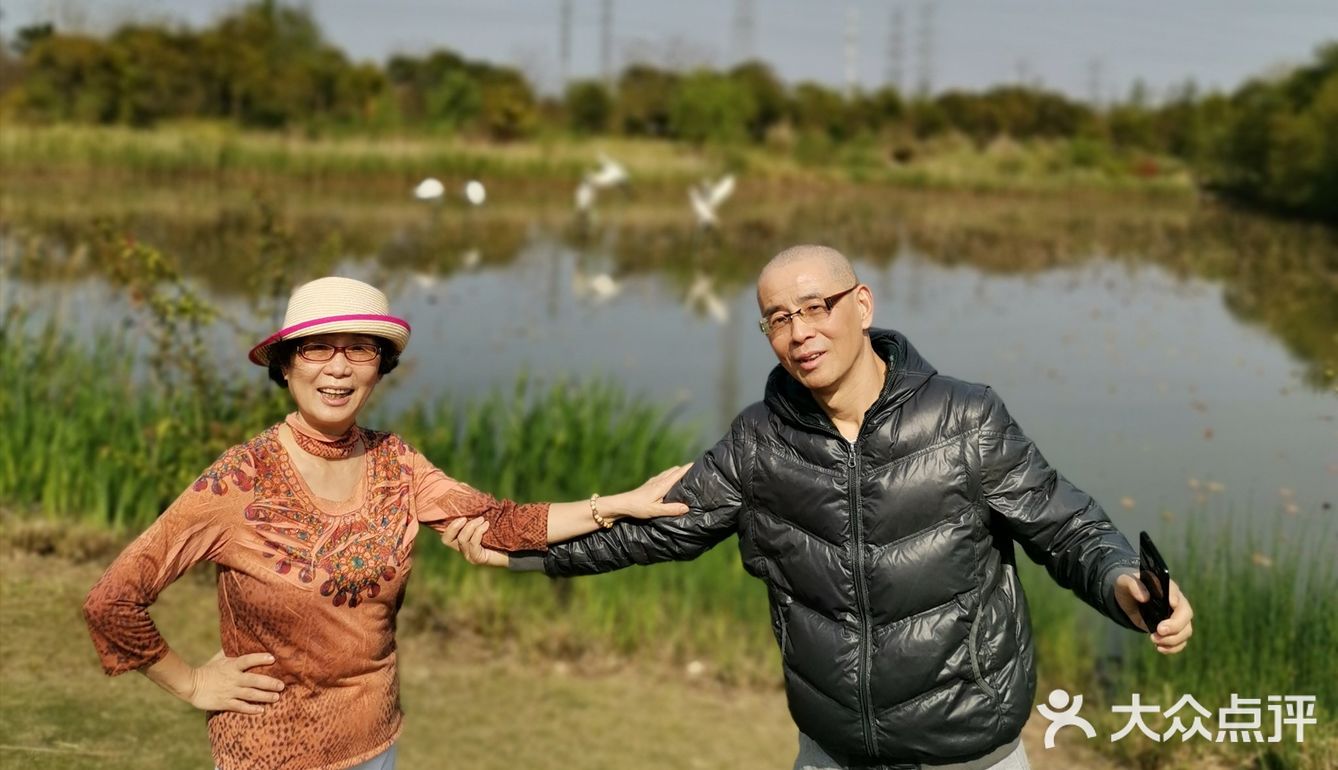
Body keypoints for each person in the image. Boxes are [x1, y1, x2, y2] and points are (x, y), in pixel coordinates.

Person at [447, 245, 1195, 770]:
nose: (801, 332)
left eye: (818, 307)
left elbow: (1065, 527)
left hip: (969, 751)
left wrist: (1126, 583)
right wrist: (517, 546)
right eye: (779, 318)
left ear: (862, 304)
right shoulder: (758, 443)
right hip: (831, 751)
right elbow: (657, 533)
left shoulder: (965, 419)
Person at [82, 276, 690, 770]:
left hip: (376, 746)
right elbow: (112, 601)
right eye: (317, 348)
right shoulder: (238, 482)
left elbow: (496, 522)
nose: (338, 369)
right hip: (270, 756)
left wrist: (613, 504)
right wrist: (190, 683)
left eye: (360, 349)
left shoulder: (395, 462)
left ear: (381, 366)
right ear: (287, 366)